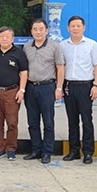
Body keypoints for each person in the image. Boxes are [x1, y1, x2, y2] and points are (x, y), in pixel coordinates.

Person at [60, 16, 97, 164]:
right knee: (72, 120)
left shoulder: (92, 44)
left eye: (78, 26)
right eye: (73, 26)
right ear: (68, 28)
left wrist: (96, 86)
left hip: (86, 86)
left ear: (83, 28)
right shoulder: (63, 45)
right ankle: (74, 151)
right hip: (69, 86)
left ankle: (88, 152)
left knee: (86, 120)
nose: (75, 29)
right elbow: (60, 67)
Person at [23, 18, 64, 164]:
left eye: (41, 29)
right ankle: (36, 150)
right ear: (31, 31)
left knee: (48, 122)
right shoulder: (27, 47)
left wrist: (59, 88)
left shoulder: (54, 46)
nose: (38, 32)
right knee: (32, 122)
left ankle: (47, 151)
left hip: (47, 87)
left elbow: (60, 67)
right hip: (30, 87)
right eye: (35, 29)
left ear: (47, 30)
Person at [0, 26, 28, 161]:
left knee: (12, 123)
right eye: (2, 36)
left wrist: (21, 90)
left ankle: (11, 149)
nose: (4, 39)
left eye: (7, 36)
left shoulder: (19, 53)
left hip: (11, 92)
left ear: (12, 38)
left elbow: (24, 72)